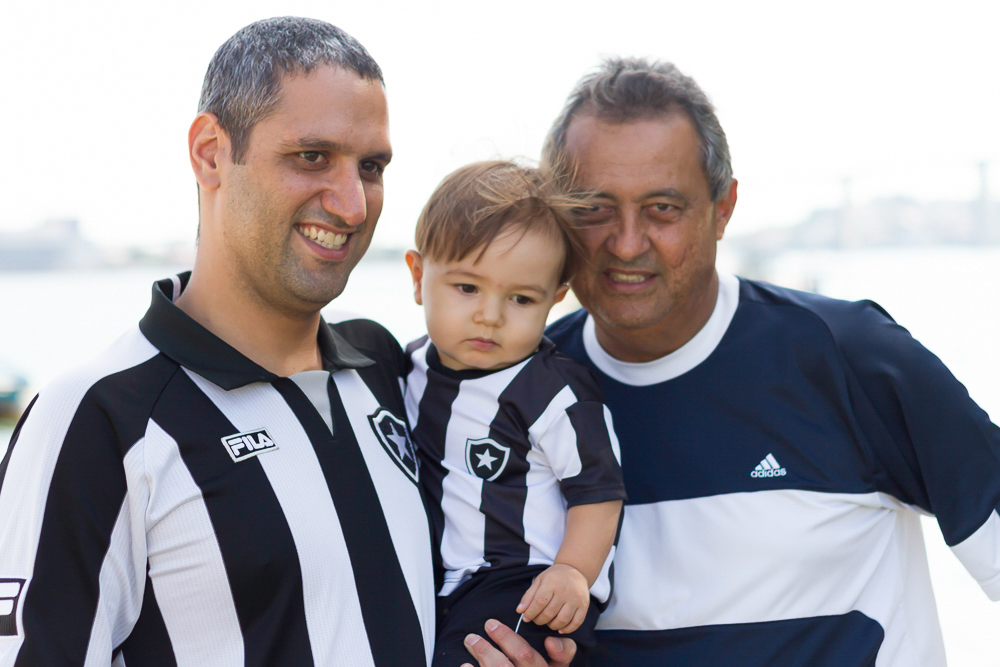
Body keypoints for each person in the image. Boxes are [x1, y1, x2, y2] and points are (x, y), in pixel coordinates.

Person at [466, 58, 1000, 667]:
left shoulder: (849, 355)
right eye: (593, 209)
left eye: (663, 208)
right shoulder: (518, 392)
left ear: (724, 207)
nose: (627, 242)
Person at [0, 17, 438, 665]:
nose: (352, 205)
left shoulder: (386, 368)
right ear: (210, 152)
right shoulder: (99, 417)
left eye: (370, 167)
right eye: (311, 156)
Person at [401, 161, 626, 666]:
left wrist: (572, 572)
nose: (490, 315)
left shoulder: (552, 392)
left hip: (527, 580)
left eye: (521, 298)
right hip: (444, 580)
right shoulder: (408, 367)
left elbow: (599, 493)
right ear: (418, 277)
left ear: (556, 299)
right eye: (467, 288)